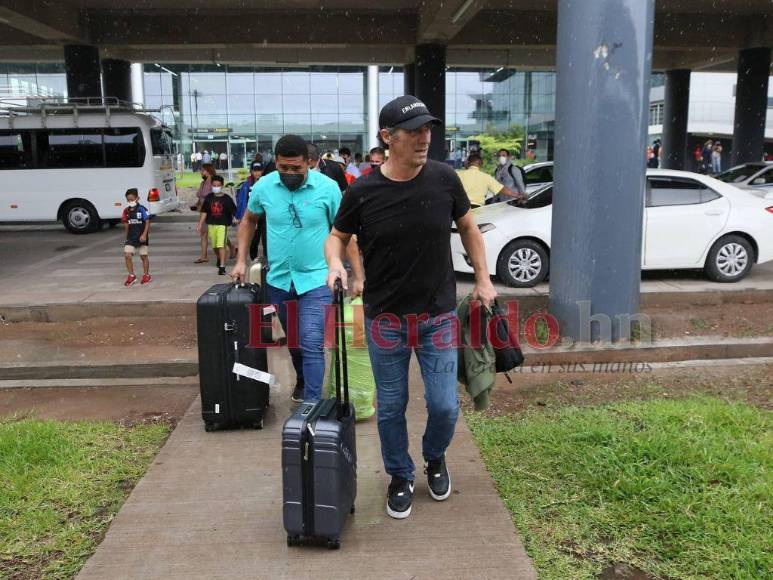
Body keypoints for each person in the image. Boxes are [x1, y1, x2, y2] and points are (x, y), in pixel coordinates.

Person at [325, 95, 497, 520]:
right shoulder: (363, 190)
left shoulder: (444, 179)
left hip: (437, 314)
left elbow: (469, 226)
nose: (425, 138)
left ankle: (434, 457)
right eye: (414, 131)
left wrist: (483, 278)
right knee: (391, 405)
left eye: (428, 129)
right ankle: (400, 475)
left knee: (443, 405)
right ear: (388, 137)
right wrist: (336, 265)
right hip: (385, 319)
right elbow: (336, 236)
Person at [231, 135, 357, 403]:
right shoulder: (264, 187)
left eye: (296, 168)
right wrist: (241, 259)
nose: (289, 173)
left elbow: (345, 233)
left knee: (311, 341)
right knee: (295, 342)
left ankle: (311, 405)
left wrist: (358, 274)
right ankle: (301, 380)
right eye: (283, 168)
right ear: (276, 162)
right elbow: (248, 220)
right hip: (279, 280)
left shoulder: (328, 188)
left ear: (308, 163)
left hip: (317, 279)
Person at [198, 175, 237, 276]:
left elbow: (233, 211)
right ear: (211, 186)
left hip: (222, 225)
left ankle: (222, 266)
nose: (216, 187)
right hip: (211, 224)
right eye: (214, 185)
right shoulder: (209, 198)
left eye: (218, 185)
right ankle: (219, 257)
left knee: (221, 245)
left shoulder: (227, 199)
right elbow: (204, 211)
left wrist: (235, 218)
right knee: (215, 246)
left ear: (222, 186)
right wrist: (200, 223)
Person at [456, 153, 523, 208]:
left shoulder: (458, 174)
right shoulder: (486, 177)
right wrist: (517, 196)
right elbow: (501, 189)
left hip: (459, 207)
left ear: (467, 163)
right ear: (481, 164)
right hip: (477, 209)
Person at [236, 161, 265, 260]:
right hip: (253, 215)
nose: (257, 173)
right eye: (255, 171)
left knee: (266, 239)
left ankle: (267, 260)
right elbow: (242, 201)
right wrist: (240, 216)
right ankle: (254, 259)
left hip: (265, 216)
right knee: (254, 239)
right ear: (251, 171)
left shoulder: (266, 183)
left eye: (259, 170)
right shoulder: (246, 185)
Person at [121, 188, 151, 286]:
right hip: (131, 238)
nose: (130, 201)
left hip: (142, 237)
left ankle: (146, 275)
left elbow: (147, 222)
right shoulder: (126, 211)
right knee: (127, 255)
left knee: (143, 256)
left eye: (132, 199)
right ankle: (131, 276)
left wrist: (144, 234)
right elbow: (126, 224)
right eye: (128, 200)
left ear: (137, 198)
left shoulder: (142, 209)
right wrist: (126, 236)